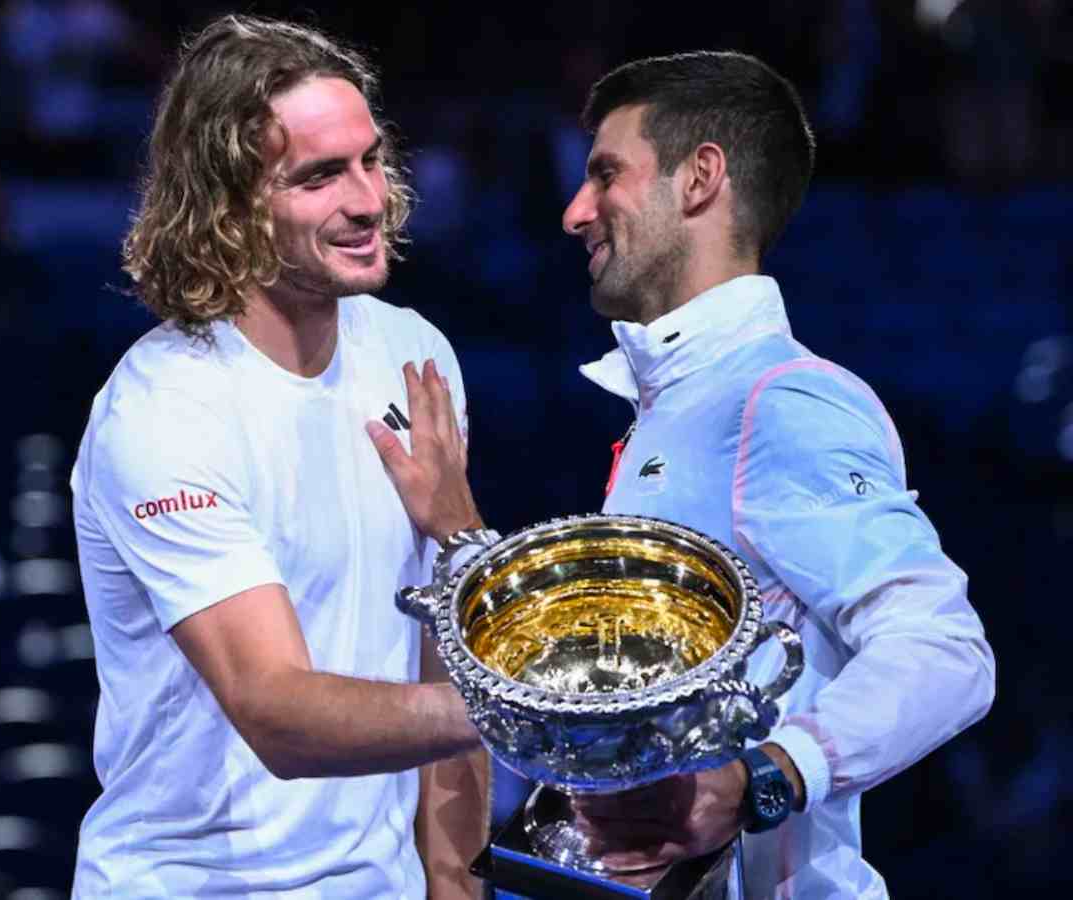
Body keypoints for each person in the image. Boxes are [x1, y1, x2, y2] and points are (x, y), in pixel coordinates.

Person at [369, 51, 996, 898]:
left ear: (699, 178)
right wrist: (462, 536)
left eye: (605, 174)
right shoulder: (684, 407)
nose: (574, 211)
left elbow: (944, 649)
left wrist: (761, 781)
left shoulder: (781, 400)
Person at [69, 15, 488, 899]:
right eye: (321, 176)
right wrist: (511, 710)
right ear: (231, 206)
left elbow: (445, 647)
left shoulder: (416, 358)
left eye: (371, 160)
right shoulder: (164, 411)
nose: (369, 199)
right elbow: (279, 713)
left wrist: (456, 882)